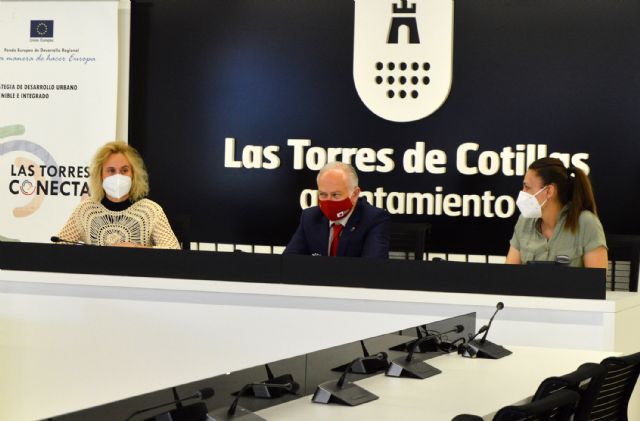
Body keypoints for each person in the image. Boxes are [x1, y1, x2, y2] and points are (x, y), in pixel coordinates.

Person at [57, 141, 180, 249]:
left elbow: (173, 250)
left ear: (133, 174)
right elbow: (58, 248)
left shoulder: (150, 210)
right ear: (100, 175)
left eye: (124, 170)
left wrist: (137, 248)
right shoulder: (86, 210)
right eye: (111, 171)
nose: (118, 176)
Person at [505, 157, 607, 268]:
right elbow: (508, 277)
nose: (522, 192)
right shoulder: (524, 221)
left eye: (527, 187)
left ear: (549, 191)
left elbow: (595, 282)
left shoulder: (586, 223)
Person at [284, 162, 390, 258]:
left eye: (335, 195)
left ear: (355, 194)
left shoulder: (374, 219)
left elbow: (372, 268)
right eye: (323, 194)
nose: (328, 201)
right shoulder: (310, 217)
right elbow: (289, 262)